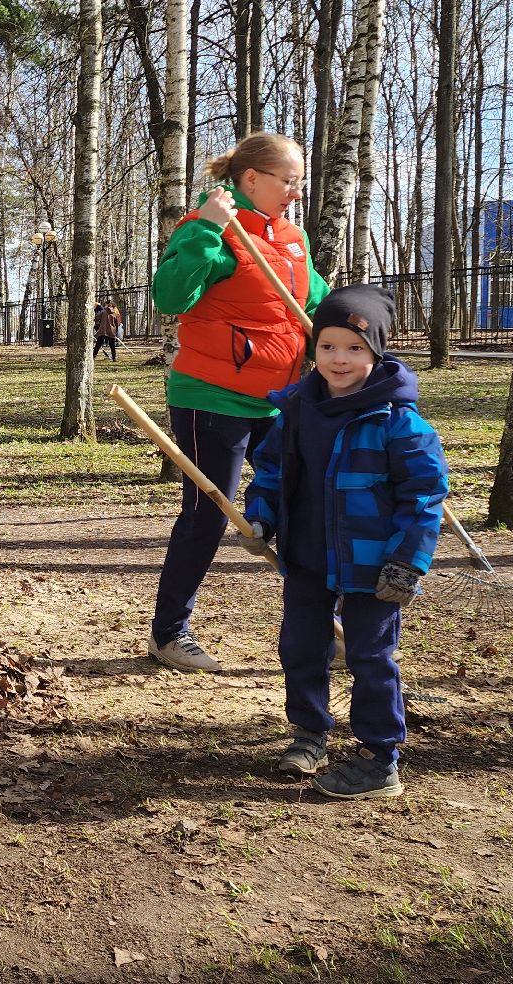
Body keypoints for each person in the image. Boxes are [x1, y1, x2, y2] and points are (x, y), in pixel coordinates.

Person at [240, 285, 447, 800]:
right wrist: (261, 518)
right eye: (328, 346)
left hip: (373, 566)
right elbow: (271, 473)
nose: (339, 359)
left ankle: (380, 758)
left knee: (371, 656)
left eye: (355, 348)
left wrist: (408, 560)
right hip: (307, 557)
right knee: (302, 648)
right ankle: (309, 733)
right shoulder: (296, 413)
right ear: (313, 349)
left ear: (377, 353)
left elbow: (424, 494)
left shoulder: (398, 422)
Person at [148, 132, 330, 673]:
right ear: (252, 179)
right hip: (213, 396)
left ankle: (321, 626)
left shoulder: (291, 238)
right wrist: (206, 226)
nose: (296, 193)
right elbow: (170, 296)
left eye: (299, 182)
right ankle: (169, 633)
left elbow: (316, 301)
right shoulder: (211, 230)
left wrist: (358, 329)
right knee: (207, 514)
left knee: (306, 503)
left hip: (277, 400)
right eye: (289, 182)